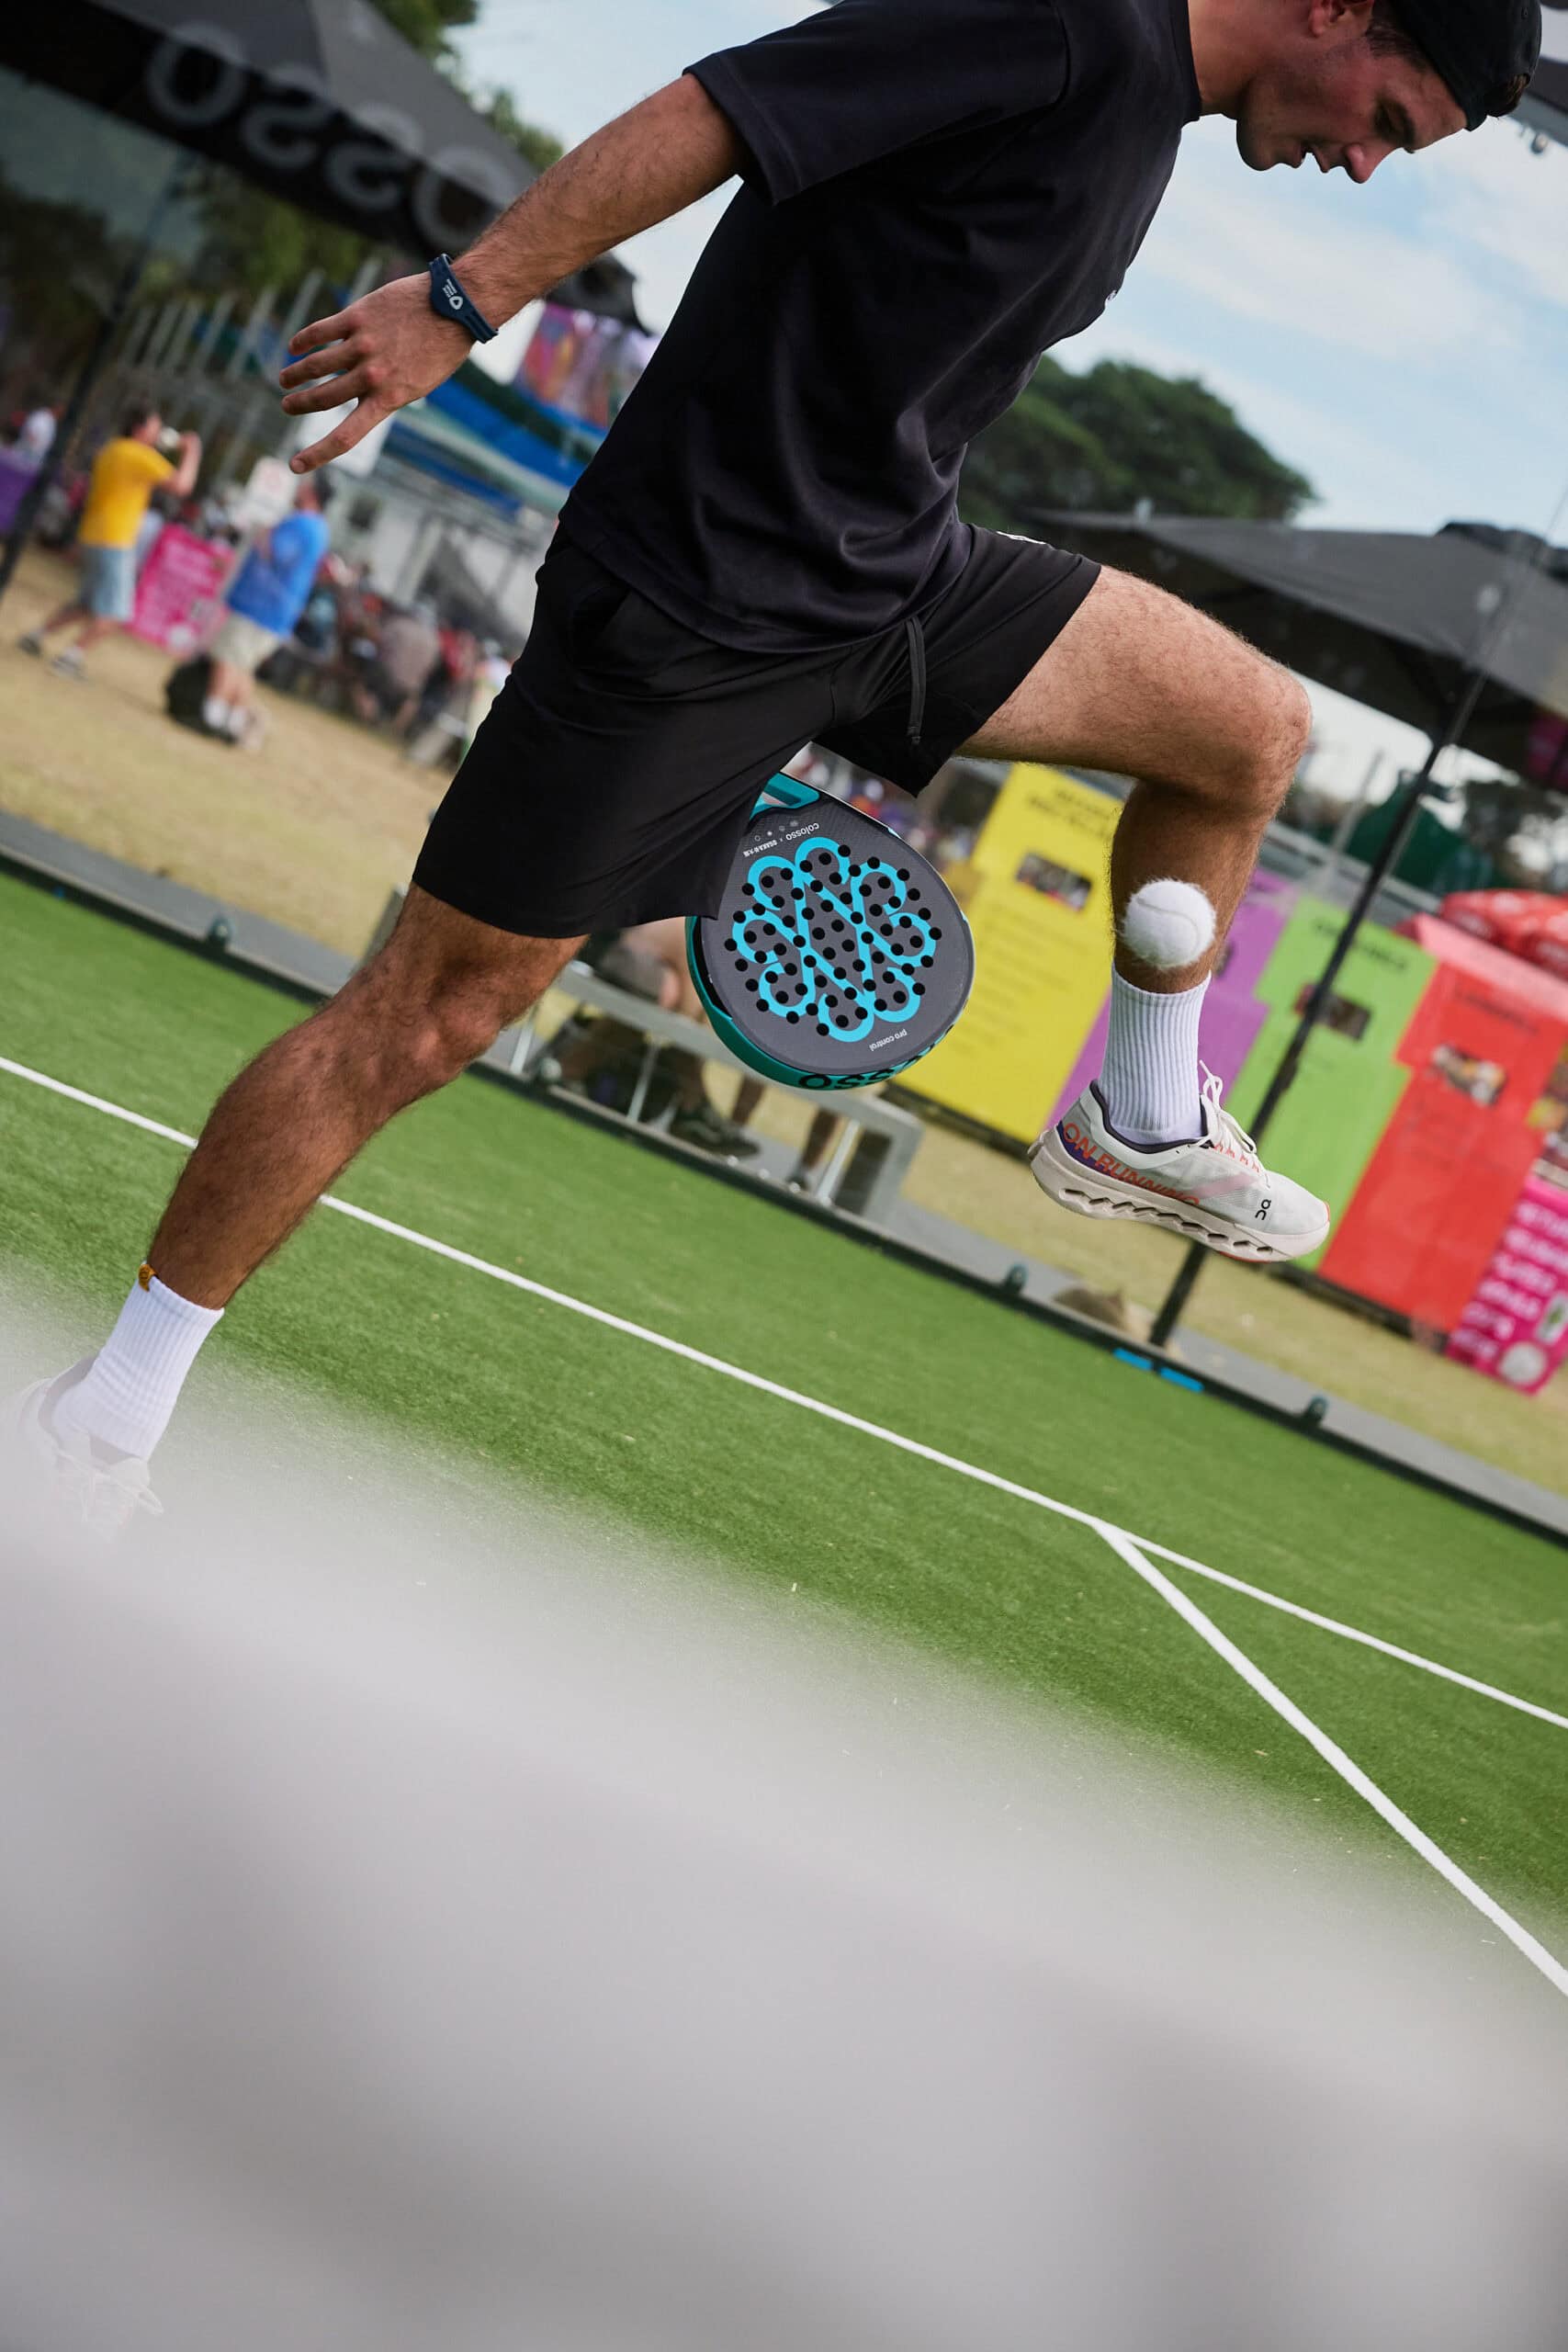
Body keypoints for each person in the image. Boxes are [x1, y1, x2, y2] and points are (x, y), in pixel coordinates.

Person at [12, 0, 1540, 1525]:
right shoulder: (1059, 24)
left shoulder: (1149, 114)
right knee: (421, 1023)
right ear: (1339, 7)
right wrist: (464, 301)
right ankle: (100, 1422)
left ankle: (1137, 1117)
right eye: (1385, 121)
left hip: (892, 578)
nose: (1362, 164)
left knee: (1249, 730)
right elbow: (716, 109)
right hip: (696, 595)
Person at [18, 407, 200, 678]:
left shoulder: (112, 449)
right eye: (154, 426)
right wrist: (192, 450)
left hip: (93, 535)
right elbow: (182, 485)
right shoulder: (139, 454)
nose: (158, 432)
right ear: (139, 429)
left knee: (87, 604)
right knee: (117, 613)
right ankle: (71, 658)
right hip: (115, 540)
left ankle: (36, 636)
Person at [199, 476, 334, 741]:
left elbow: (275, 552)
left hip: (259, 604)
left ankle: (212, 717)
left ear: (312, 494)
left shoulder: (299, 524)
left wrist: (262, 529)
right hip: (280, 612)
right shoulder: (320, 529)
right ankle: (234, 722)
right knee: (244, 666)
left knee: (228, 658)